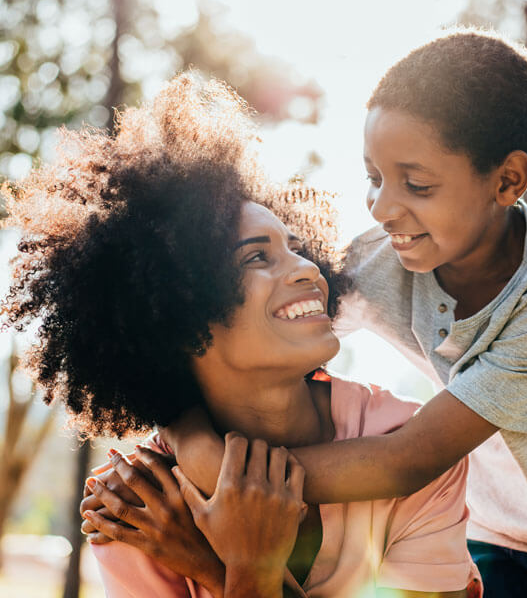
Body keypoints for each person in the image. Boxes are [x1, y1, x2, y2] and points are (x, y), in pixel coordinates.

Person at [139, 30, 527, 597]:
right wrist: (183, 429)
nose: (382, 208)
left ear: (508, 180)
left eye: (416, 184)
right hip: (485, 527)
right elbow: (237, 340)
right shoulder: (382, 259)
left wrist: (232, 478)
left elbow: (409, 458)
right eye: (374, 178)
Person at [2, 72, 480, 597]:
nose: (307, 269)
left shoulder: (403, 443)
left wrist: (224, 567)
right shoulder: (139, 508)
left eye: (297, 247)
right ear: (176, 313)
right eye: (257, 257)